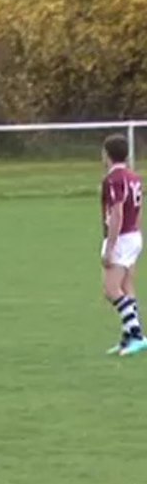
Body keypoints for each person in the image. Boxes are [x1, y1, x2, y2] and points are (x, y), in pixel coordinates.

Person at [98, 134, 147, 356]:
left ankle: (136, 334)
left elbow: (116, 212)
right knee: (127, 286)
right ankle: (129, 337)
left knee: (111, 289)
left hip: (121, 237)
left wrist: (110, 246)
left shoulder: (113, 179)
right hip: (134, 235)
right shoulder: (134, 177)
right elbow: (139, 207)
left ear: (106, 154)